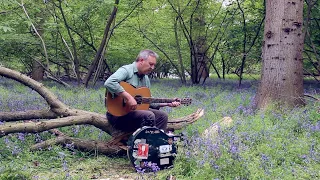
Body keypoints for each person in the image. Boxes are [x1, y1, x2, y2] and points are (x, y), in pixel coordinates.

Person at [104, 49, 180, 133]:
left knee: (162, 116)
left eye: (154, 65)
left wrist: (168, 103)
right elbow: (109, 82)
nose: (152, 68)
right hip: (117, 114)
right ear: (141, 61)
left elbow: (147, 102)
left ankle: (156, 141)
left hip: (133, 113)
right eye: (150, 64)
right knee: (148, 115)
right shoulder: (127, 70)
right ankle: (142, 141)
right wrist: (129, 97)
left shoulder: (146, 79)